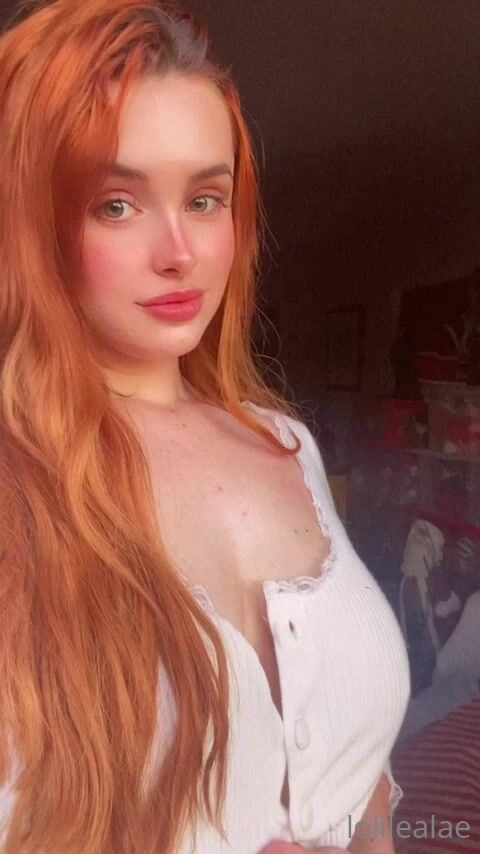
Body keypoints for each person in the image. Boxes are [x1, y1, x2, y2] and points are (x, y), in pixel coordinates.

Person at [0, 1, 410, 852]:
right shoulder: (17, 480)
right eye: (116, 204)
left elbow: (365, 779)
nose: (179, 252)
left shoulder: (286, 446)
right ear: (29, 223)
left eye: (204, 198)